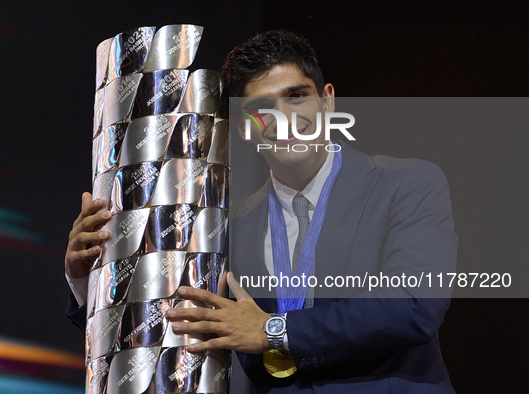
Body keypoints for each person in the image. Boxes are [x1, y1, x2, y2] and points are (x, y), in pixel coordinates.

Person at [66, 30, 458, 393]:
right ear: (241, 127)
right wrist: (91, 277)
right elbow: (163, 325)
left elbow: (413, 305)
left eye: (297, 96)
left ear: (328, 100)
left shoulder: (407, 183)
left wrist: (273, 331)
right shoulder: (224, 224)